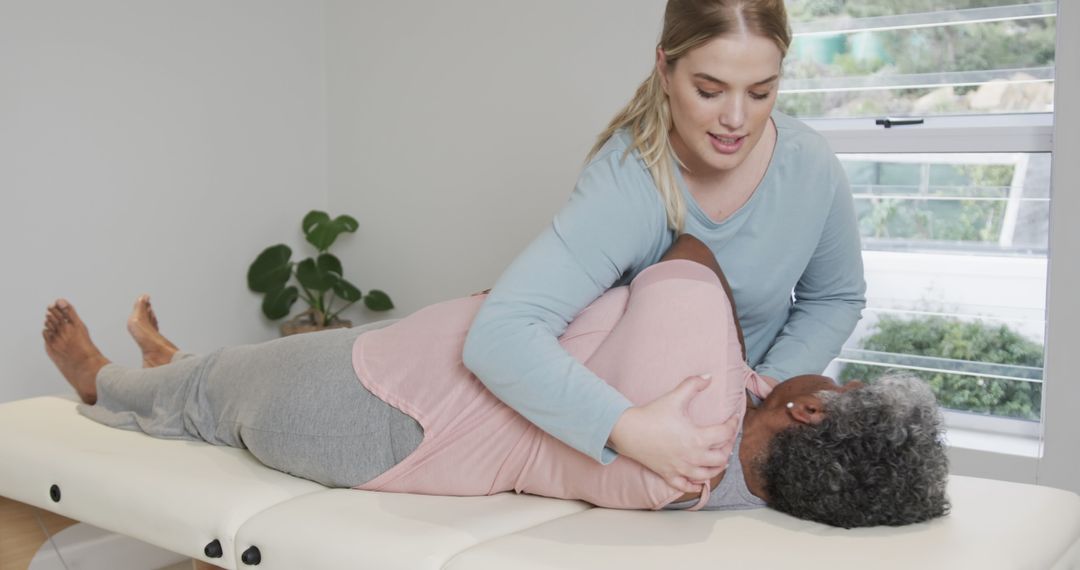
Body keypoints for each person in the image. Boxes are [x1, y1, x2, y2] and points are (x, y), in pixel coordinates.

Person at [42, 236, 947, 528]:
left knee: (217, 389)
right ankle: (167, 363)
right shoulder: (734, 491)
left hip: (369, 401)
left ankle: (106, 382)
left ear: (815, 408)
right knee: (214, 384)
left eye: (841, 382)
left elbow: (689, 245)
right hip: (405, 414)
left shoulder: (702, 381)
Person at [462, 0, 867, 495]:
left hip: (740, 433)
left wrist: (761, 388)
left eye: (761, 93)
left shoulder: (810, 166)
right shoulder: (628, 182)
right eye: (709, 91)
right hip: (640, 441)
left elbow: (835, 298)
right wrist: (630, 429)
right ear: (665, 69)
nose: (736, 119)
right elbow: (500, 335)